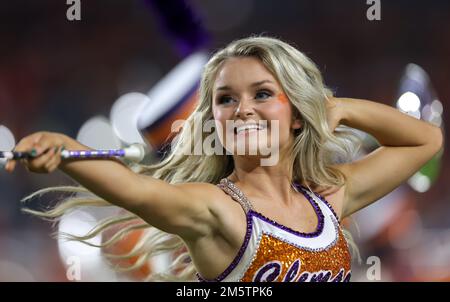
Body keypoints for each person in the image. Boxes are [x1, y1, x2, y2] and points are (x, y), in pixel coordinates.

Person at [5, 36, 443, 282]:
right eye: (226, 98)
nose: (243, 108)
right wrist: (63, 148)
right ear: (215, 120)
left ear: (296, 113)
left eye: (263, 94)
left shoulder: (328, 197)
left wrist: (341, 109)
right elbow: (136, 190)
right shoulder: (216, 209)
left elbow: (426, 142)